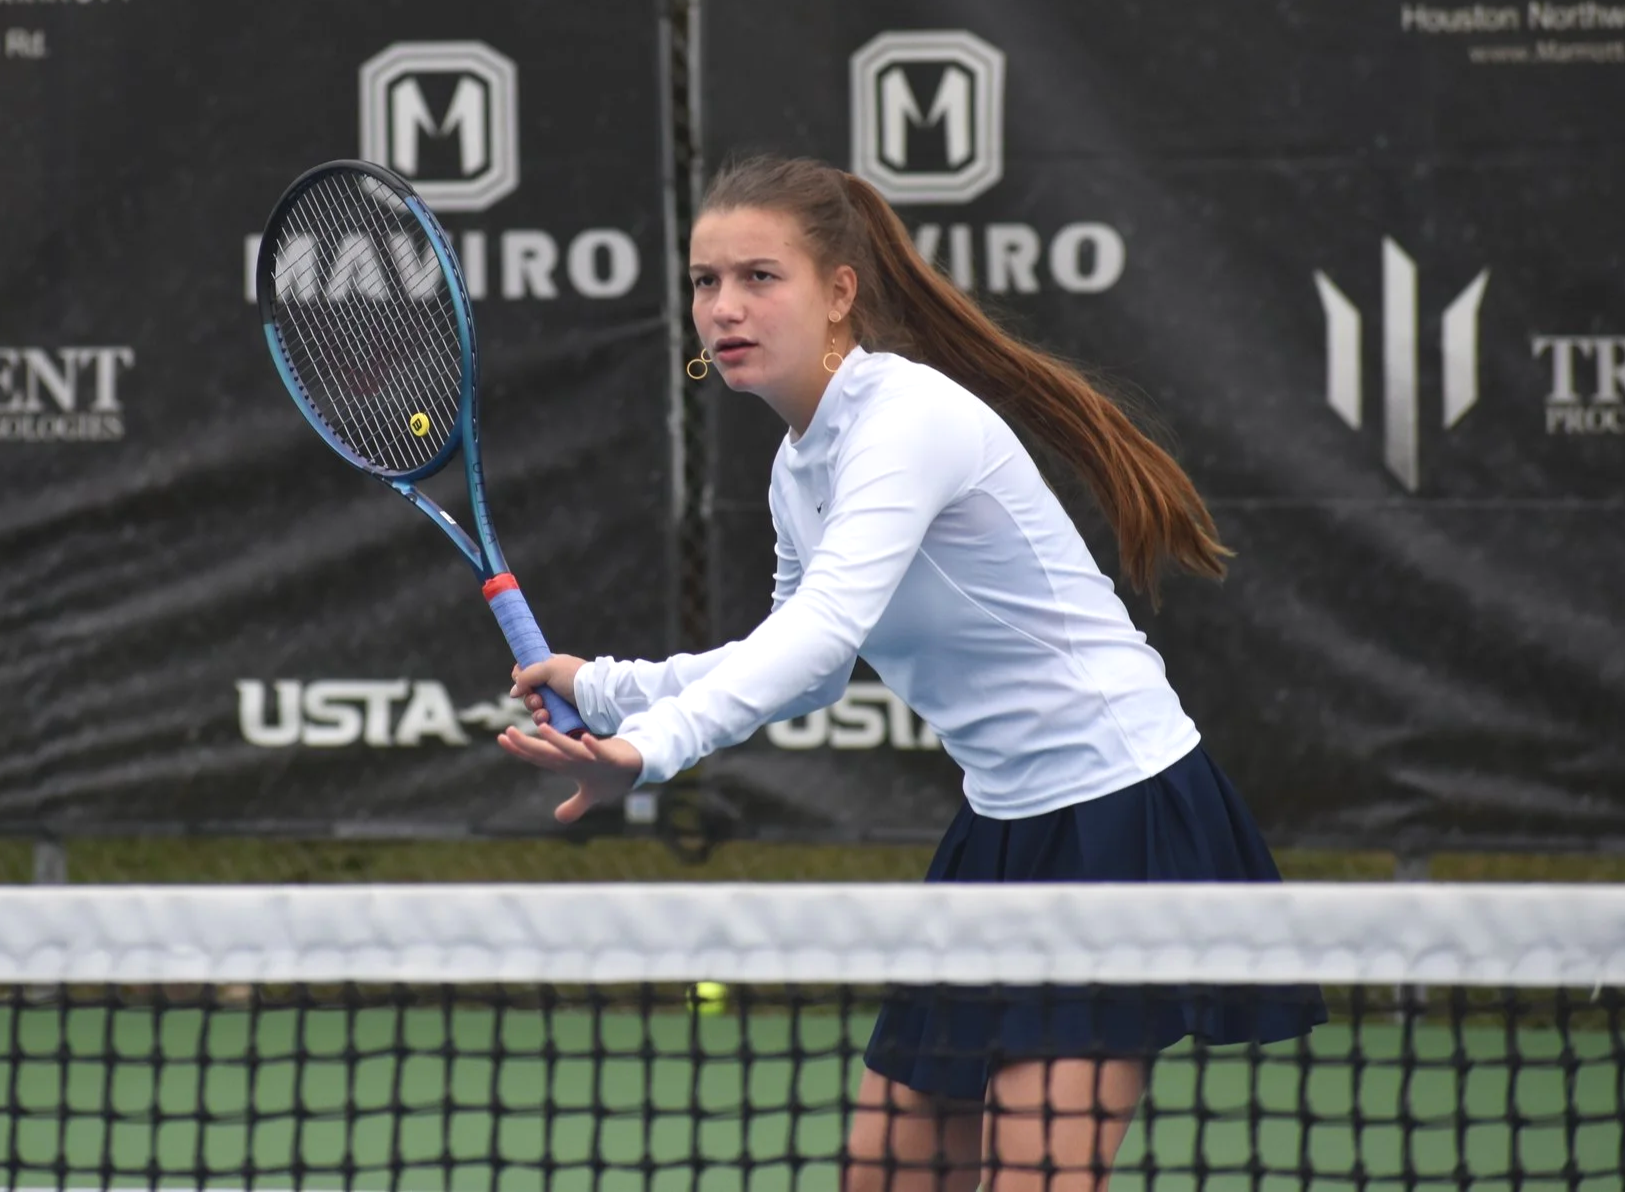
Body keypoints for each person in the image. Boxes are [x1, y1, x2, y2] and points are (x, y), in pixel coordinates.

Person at [496, 154, 1325, 1191]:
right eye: (706, 282)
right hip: (1004, 826)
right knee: (884, 1174)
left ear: (840, 292)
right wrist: (611, 686)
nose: (724, 308)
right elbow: (798, 665)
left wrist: (645, 751)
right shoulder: (800, 462)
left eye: (760, 277)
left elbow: (828, 626)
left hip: (1124, 813)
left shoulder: (907, 419)